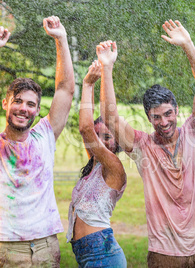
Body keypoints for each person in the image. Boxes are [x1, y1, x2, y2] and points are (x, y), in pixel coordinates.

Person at [98, 19, 195, 267]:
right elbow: (110, 118)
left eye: (168, 114)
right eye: (156, 117)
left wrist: (188, 45)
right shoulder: (143, 146)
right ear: (148, 118)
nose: (163, 122)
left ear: (176, 110)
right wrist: (106, 68)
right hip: (164, 256)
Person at [0, 16, 74, 266]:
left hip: (45, 245)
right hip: (5, 246)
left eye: (31, 104)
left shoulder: (45, 135)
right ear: (5, 105)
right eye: (17, 101)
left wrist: (61, 38)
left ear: (38, 109)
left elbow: (65, 89)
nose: (23, 108)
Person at [66, 60, 127, 267]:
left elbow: (86, 129)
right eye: (98, 135)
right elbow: (86, 130)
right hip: (85, 253)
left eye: (107, 137)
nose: (100, 141)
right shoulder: (94, 162)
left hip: (103, 254)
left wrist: (88, 85)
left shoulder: (114, 166)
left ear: (118, 141)